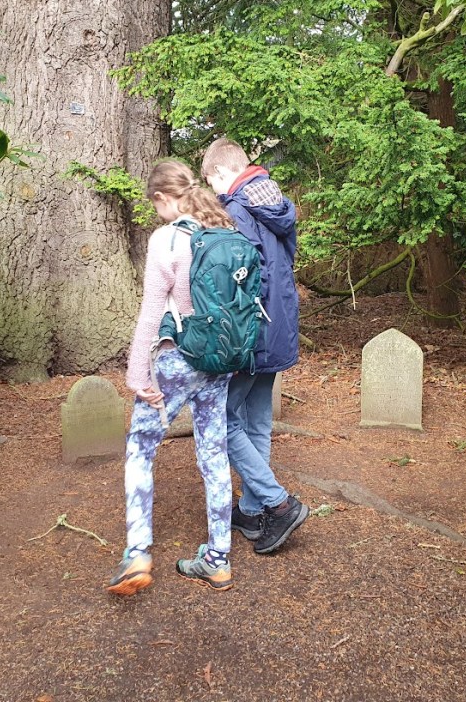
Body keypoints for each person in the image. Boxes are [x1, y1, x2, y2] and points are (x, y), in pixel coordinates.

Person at [107, 159, 236, 596]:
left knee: (141, 447)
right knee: (214, 452)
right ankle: (218, 559)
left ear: (163, 198)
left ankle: (137, 553)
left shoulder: (166, 240)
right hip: (220, 361)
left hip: (178, 359)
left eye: (155, 204)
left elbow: (150, 313)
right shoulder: (225, 232)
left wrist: (136, 372)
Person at [201, 138, 309, 555]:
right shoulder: (275, 201)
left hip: (251, 332)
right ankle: (249, 510)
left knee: (223, 420)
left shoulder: (237, 210)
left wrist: (227, 332)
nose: (213, 192)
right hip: (279, 324)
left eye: (212, 182)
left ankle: (278, 504)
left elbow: (247, 278)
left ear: (222, 173)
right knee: (257, 420)